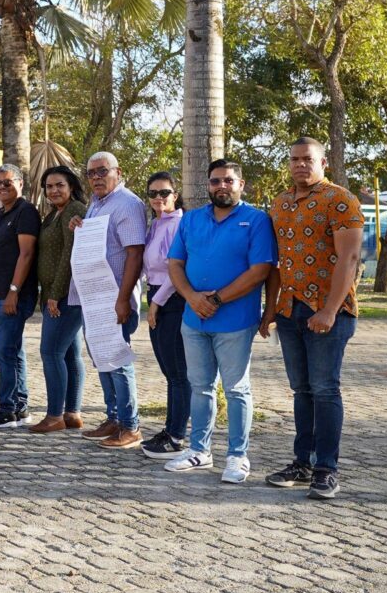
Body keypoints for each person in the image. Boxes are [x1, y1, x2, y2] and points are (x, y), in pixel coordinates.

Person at [262, 137, 363, 500]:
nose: (300, 164)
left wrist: (329, 310)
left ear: (324, 163)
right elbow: (275, 264)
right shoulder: (281, 202)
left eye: (308, 159)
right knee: (301, 390)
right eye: (295, 159)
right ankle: (301, 462)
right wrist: (270, 309)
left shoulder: (341, 200)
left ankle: (326, 469)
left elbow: (349, 260)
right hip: (290, 310)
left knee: (324, 390)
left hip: (328, 311)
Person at [163, 160, 276, 484]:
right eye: (215, 181)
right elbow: (175, 263)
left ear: (241, 184)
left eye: (228, 180)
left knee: (237, 389)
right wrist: (192, 298)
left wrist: (214, 299)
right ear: (208, 185)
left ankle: (237, 456)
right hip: (194, 320)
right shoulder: (192, 219)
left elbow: (260, 271)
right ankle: (199, 450)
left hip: (235, 322)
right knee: (200, 387)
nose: (221, 186)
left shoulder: (256, 220)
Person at [70, 151, 148, 449]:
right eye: (91, 174)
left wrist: (124, 298)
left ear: (118, 171)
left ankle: (131, 426)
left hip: (116, 297)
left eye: (102, 171)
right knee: (103, 359)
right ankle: (113, 418)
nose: (96, 178)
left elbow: (134, 253)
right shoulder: (97, 204)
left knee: (117, 359)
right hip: (94, 298)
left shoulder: (127, 203)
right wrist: (81, 225)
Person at [0, 165, 40, 428]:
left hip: (17, 294)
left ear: (20, 183)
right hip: (1, 293)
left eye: (7, 183)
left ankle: (8, 408)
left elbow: (25, 254)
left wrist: (13, 291)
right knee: (13, 351)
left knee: (3, 350)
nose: (2, 188)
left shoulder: (25, 212)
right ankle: (20, 406)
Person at [30, 165, 88, 434]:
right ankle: (72, 413)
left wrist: (55, 294)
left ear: (71, 187)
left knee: (51, 352)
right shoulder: (54, 214)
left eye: (59, 185)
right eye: (49, 186)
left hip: (65, 295)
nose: (53, 190)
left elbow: (70, 253)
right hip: (56, 294)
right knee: (69, 353)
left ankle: (54, 415)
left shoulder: (75, 210)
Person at [139, 171, 189, 459]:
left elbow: (176, 269)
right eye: (153, 193)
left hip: (173, 299)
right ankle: (170, 429)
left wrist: (156, 303)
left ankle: (177, 435)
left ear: (175, 194)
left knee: (179, 373)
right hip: (156, 295)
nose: (159, 198)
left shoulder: (179, 224)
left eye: (164, 193)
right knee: (170, 373)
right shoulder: (155, 224)